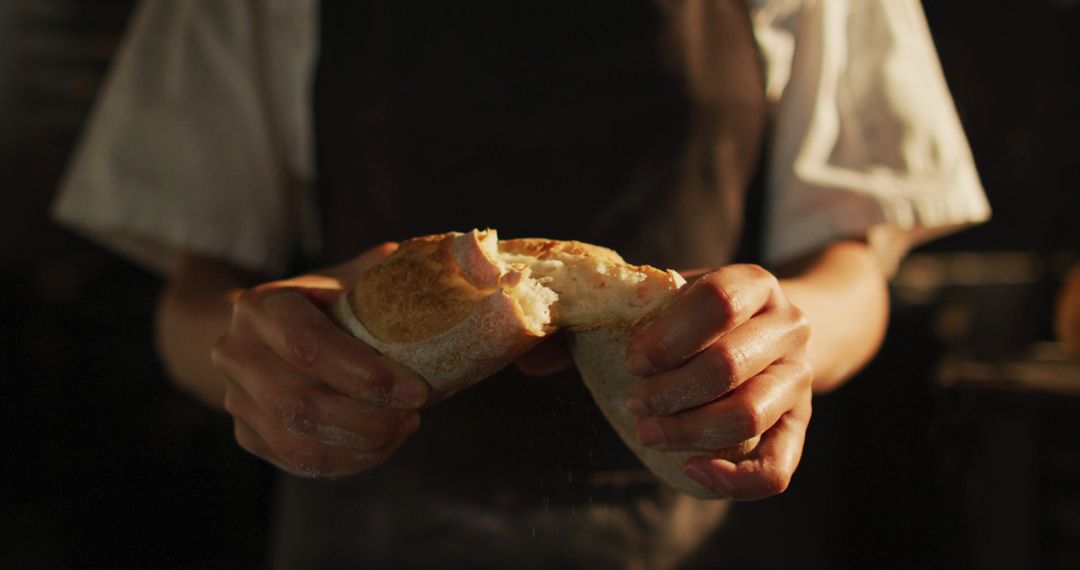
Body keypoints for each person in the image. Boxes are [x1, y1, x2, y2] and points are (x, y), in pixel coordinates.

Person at [54, 0, 990, 567]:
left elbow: (851, 264)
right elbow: (195, 296)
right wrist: (257, 350)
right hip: (369, 539)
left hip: (698, 539)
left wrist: (782, 340)